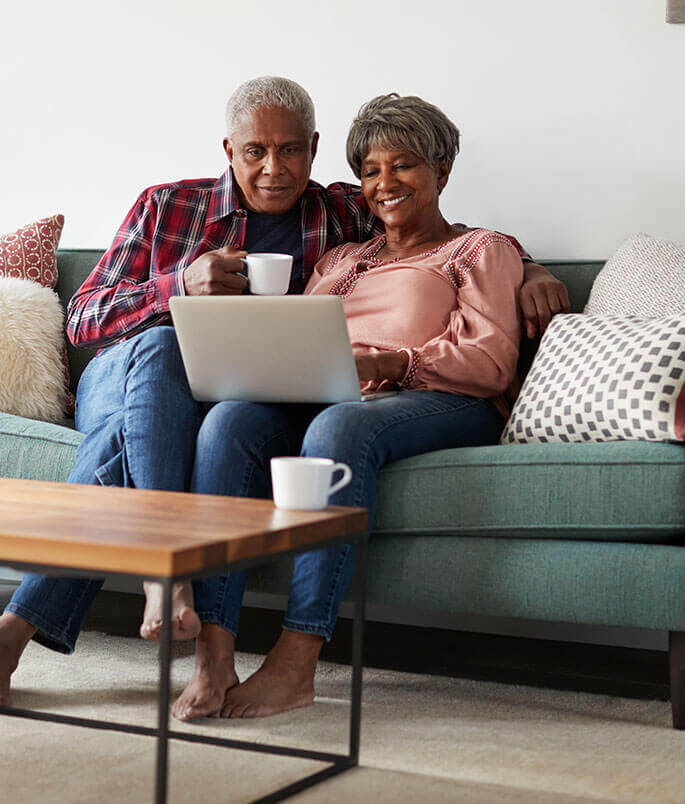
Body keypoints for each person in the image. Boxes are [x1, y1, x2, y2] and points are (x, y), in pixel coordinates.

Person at [0, 78, 567, 709]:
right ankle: (172, 572)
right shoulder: (172, 206)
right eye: (255, 152)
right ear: (228, 149)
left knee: (213, 425)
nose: (275, 169)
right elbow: (82, 320)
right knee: (163, 355)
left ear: (314, 149)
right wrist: (177, 289)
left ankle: (40, 625)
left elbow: (451, 237)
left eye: (292, 151)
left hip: (269, 393)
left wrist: (531, 267)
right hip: (127, 366)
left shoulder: (340, 217)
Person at [172, 93, 527, 721]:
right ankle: (214, 648)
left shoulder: (481, 250)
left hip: (441, 399)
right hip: (338, 393)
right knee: (229, 421)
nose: (384, 183)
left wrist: (389, 363)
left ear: (441, 172)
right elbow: (300, 334)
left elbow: (492, 362)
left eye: (405, 166)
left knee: (340, 424)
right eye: (370, 171)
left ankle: (296, 662)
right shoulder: (342, 258)